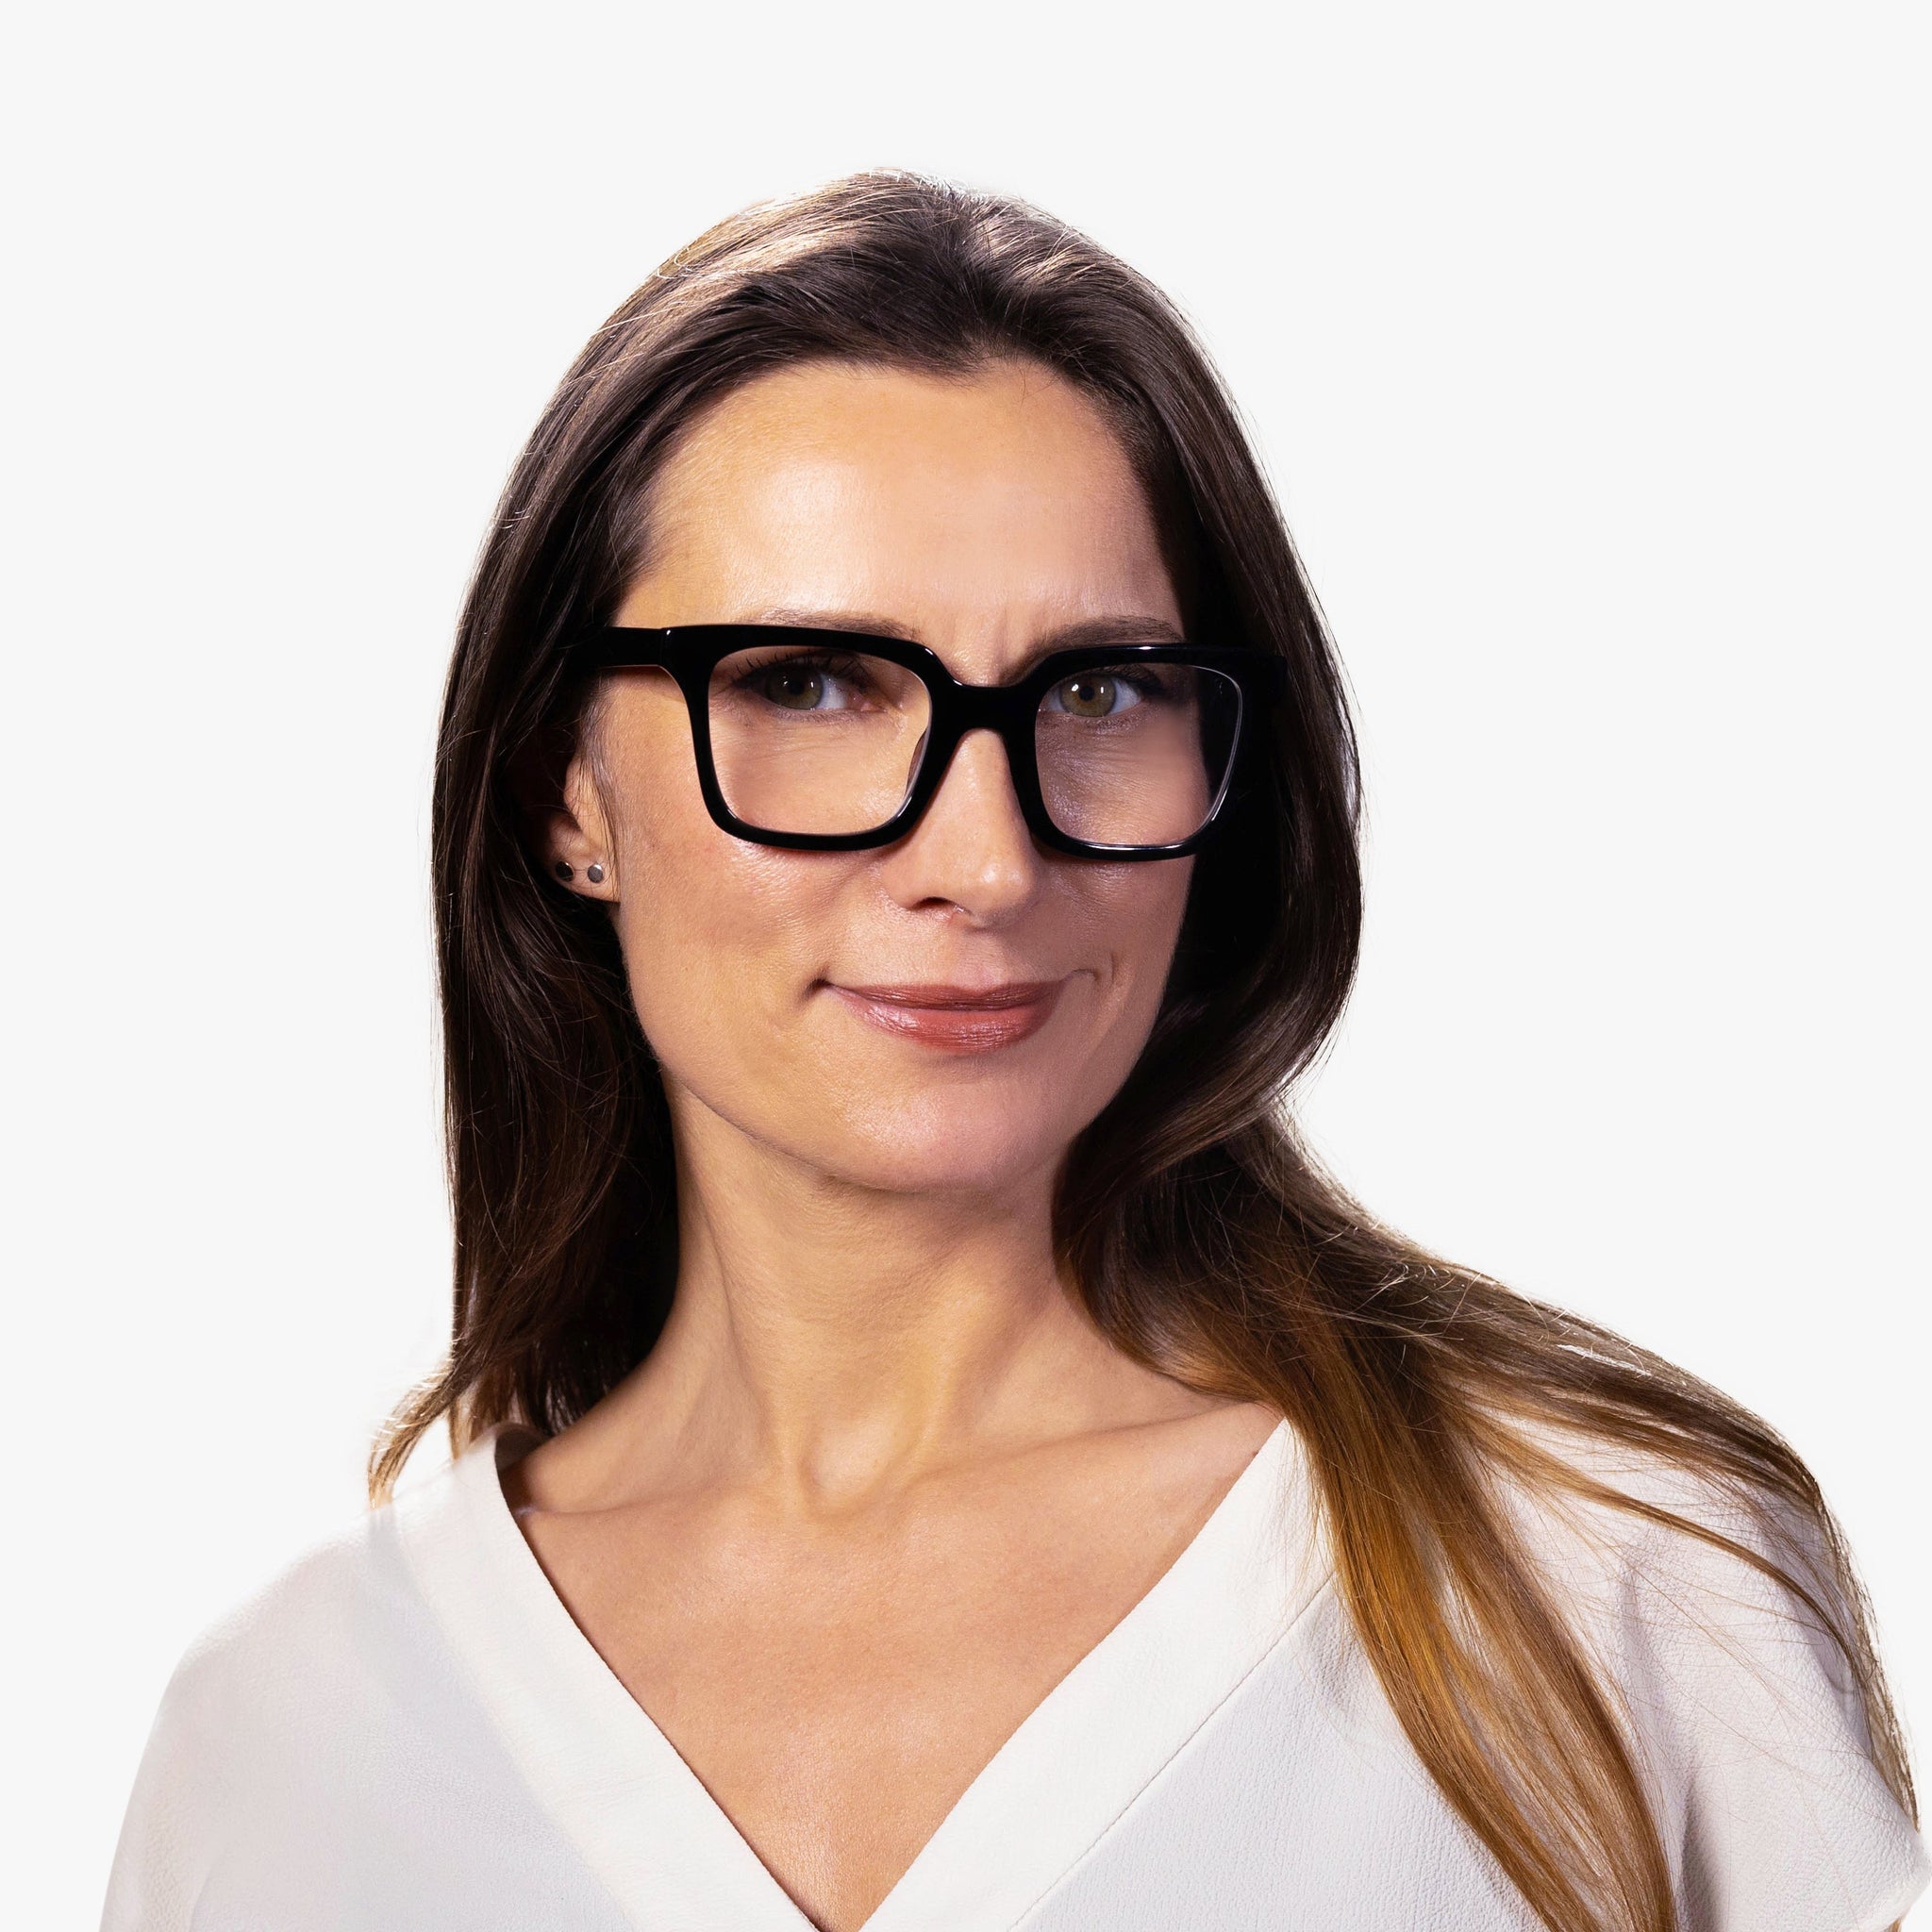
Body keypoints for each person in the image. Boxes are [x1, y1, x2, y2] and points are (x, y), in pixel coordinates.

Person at [100, 171, 1927, 1932]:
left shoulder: (1614, 1587)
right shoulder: (284, 1749)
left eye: (1102, 690)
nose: (984, 862)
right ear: (565, 790)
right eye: (811, 683)